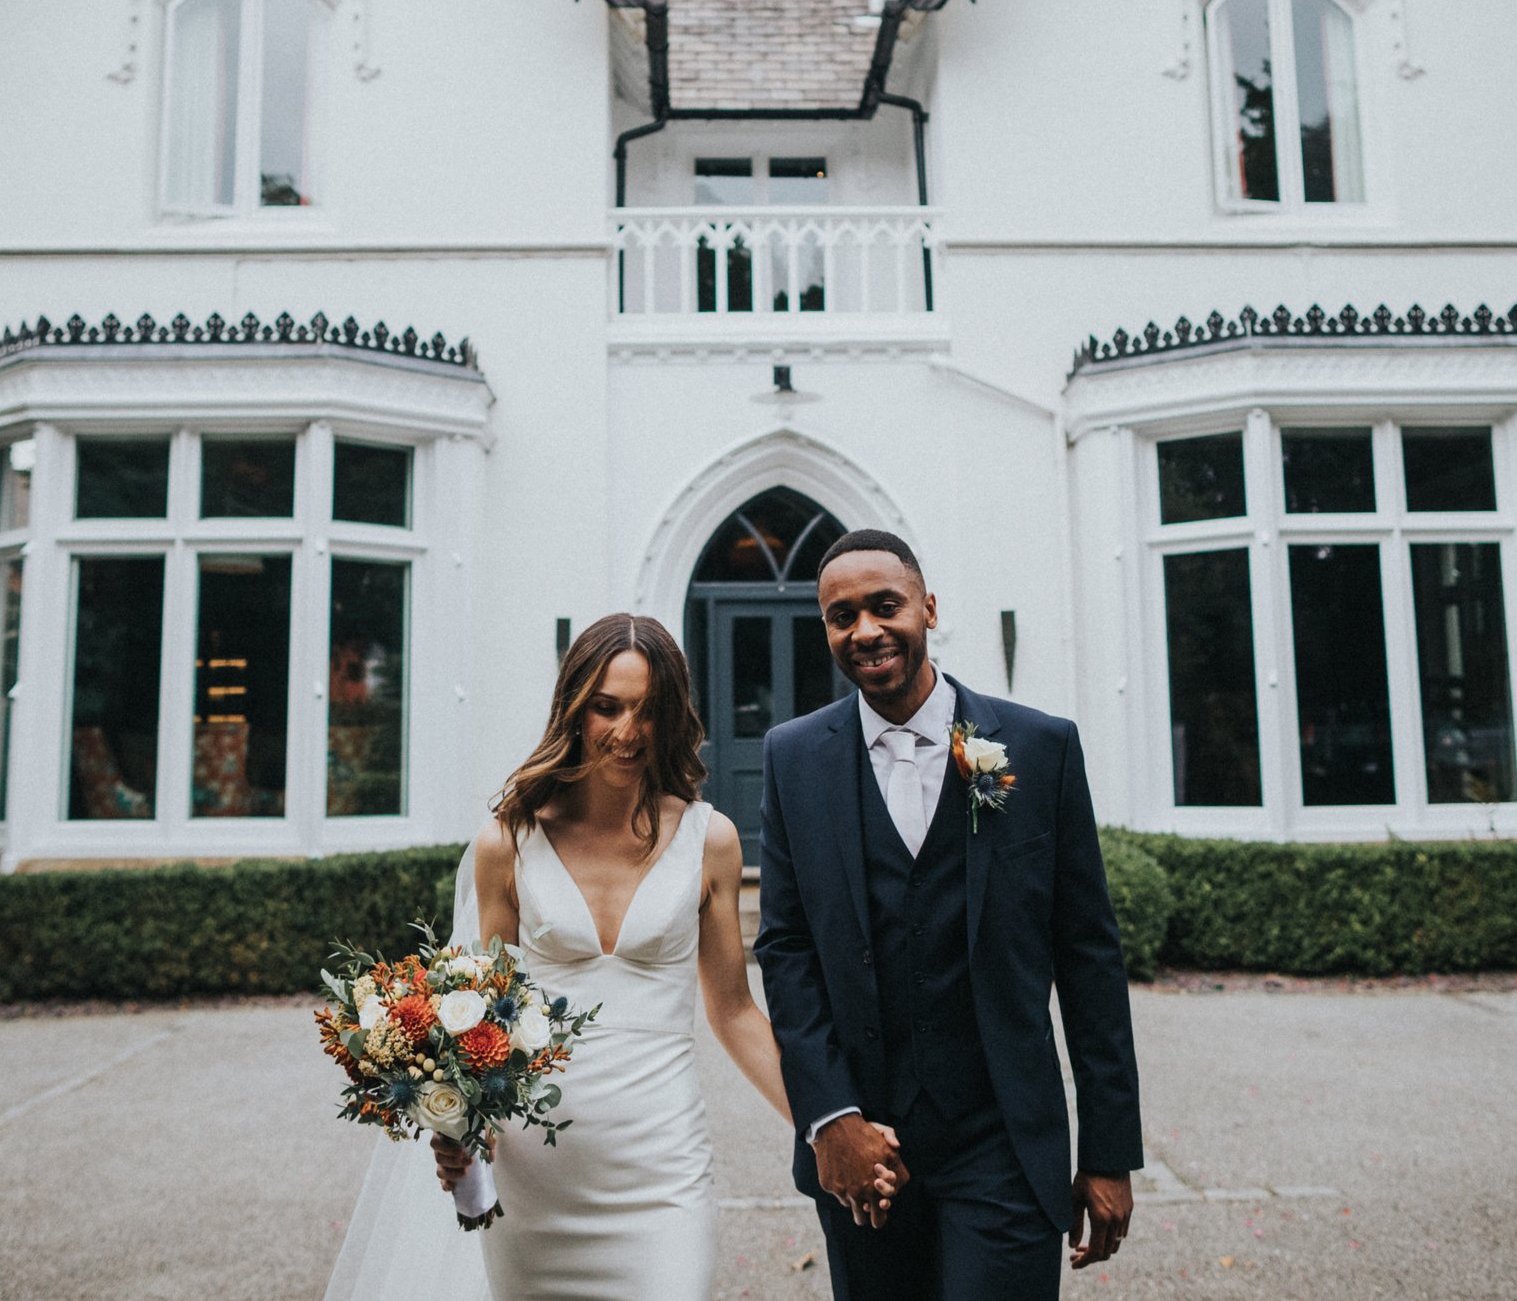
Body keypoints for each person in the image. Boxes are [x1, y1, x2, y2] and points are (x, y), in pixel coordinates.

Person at [754, 529, 1142, 1300]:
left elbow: (1088, 956)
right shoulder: (792, 757)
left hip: (1001, 1135)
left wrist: (1108, 1148)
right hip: (868, 1147)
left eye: (884, 605)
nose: (864, 630)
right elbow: (787, 949)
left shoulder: (1040, 745)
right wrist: (831, 1117)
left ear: (928, 607)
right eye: (841, 615)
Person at [420, 613, 805, 1300]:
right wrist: (458, 1127)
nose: (627, 731)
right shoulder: (507, 843)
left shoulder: (708, 839)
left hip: (662, 1173)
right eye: (608, 707)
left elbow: (734, 1010)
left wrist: (827, 1125)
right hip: (534, 1181)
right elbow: (482, 1025)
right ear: (574, 708)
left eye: (648, 709)